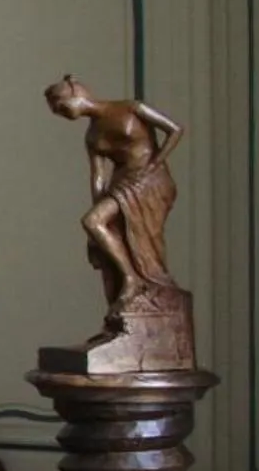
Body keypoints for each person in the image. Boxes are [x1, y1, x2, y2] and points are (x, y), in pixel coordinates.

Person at [43, 75, 183, 320]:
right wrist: (98, 202)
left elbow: (175, 130)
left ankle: (140, 280)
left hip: (150, 180)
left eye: (62, 105)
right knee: (95, 223)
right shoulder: (92, 136)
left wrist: (155, 164)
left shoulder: (130, 108)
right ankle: (129, 279)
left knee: (137, 235)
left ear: (76, 93)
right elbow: (97, 176)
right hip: (122, 184)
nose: (61, 112)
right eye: (57, 111)